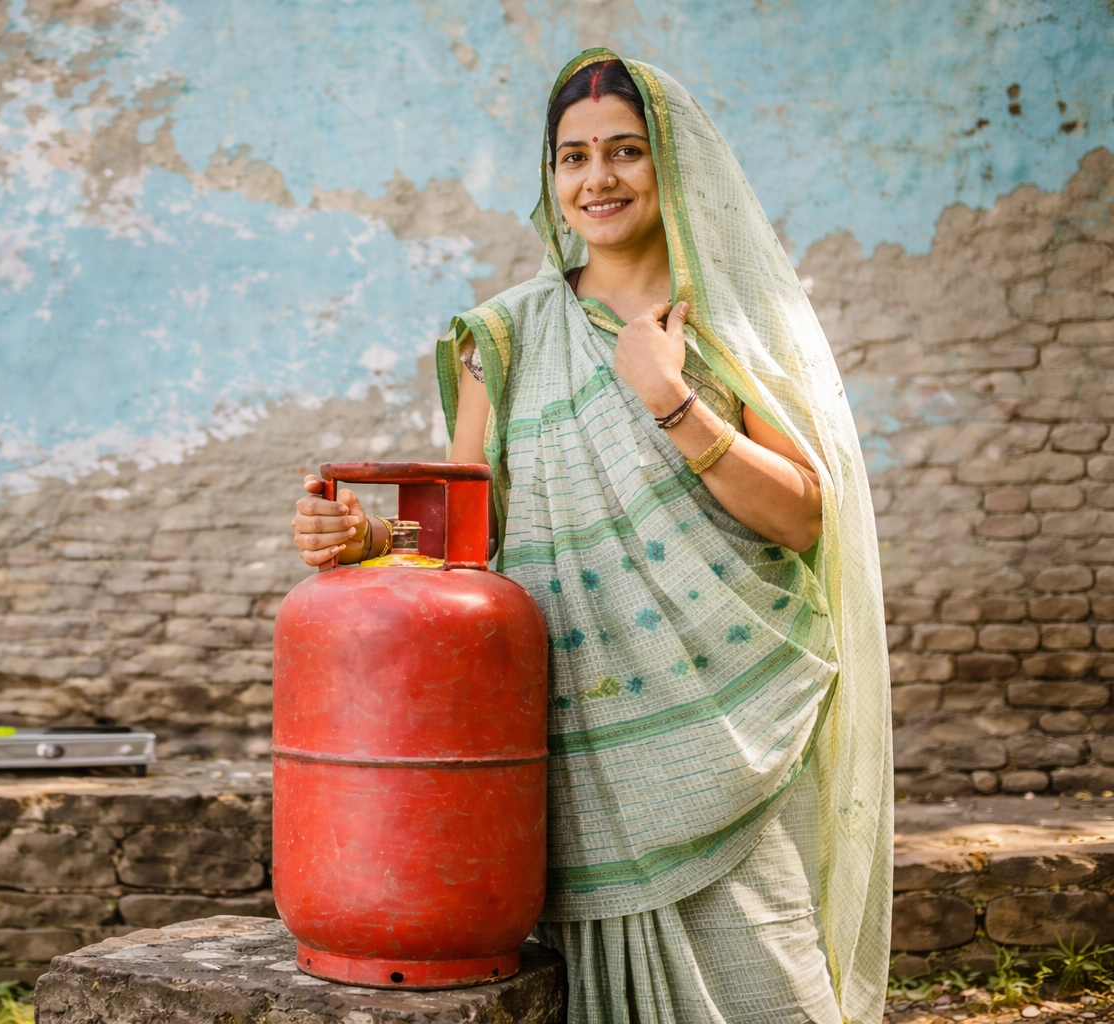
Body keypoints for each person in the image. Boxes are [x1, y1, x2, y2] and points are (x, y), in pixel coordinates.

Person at [291, 49, 891, 1024]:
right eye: (572, 158)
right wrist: (363, 543)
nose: (597, 178)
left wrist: (670, 394)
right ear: (550, 177)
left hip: (710, 735)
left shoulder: (732, 324)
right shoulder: (508, 337)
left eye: (625, 151)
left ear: (673, 166)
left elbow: (802, 514)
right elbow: (463, 547)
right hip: (570, 733)